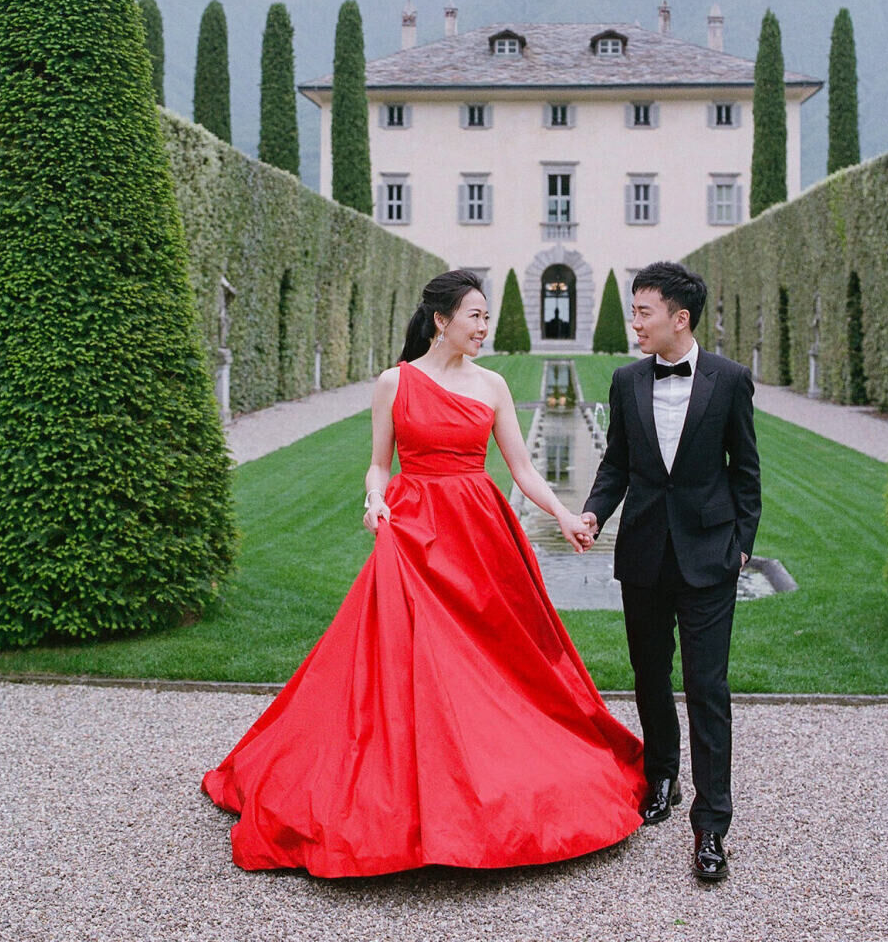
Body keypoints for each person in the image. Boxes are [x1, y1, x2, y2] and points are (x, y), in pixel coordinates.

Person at [202, 269, 644, 877]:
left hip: (478, 532)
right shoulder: (394, 382)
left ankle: (489, 770)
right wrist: (374, 499)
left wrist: (566, 514)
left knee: (494, 655)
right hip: (412, 529)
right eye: (476, 317)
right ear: (441, 320)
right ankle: (416, 787)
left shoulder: (491, 386)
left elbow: (521, 469)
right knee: (414, 656)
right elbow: (378, 464)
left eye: (488, 317)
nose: (485, 328)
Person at [581, 261, 761, 883]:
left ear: (678, 319)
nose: (634, 322)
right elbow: (617, 466)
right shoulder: (626, 380)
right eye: (633, 311)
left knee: (707, 688)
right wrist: (593, 515)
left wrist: (741, 544)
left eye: (642, 312)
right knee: (650, 675)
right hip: (644, 555)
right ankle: (663, 776)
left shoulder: (731, 381)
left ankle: (712, 827)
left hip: (710, 556)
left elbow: (746, 473)